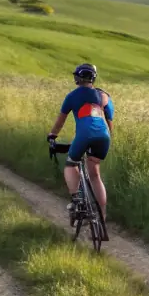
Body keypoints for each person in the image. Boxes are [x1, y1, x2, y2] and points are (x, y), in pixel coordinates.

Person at [47, 63, 114, 234]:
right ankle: (102, 216)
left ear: (77, 78)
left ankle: (77, 200)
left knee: (71, 164)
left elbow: (60, 121)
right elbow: (110, 122)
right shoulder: (103, 96)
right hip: (103, 137)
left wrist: (52, 135)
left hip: (84, 134)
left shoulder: (72, 96)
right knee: (95, 174)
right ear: (93, 78)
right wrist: (107, 137)